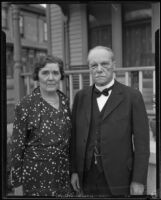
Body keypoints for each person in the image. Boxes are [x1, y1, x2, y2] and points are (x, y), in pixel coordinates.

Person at [70, 46, 150, 197]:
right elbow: (74, 138)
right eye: (94, 65)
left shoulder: (132, 96)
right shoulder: (80, 96)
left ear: (114, 65)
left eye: (104, 64)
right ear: (89, 68)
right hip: (86, 177)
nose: (99, 69)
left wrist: (139, 180)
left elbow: (142, 144)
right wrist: (74, 170)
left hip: (118, 177)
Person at [10, 55, 73, 197]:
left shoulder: (64, 101)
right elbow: (16, 147)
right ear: (37, 76)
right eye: (45, 73)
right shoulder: (26, 105)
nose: (51, 78)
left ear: (60, 76)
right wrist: (17, 183)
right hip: (36, 177)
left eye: (55, 73)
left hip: (63, 174)